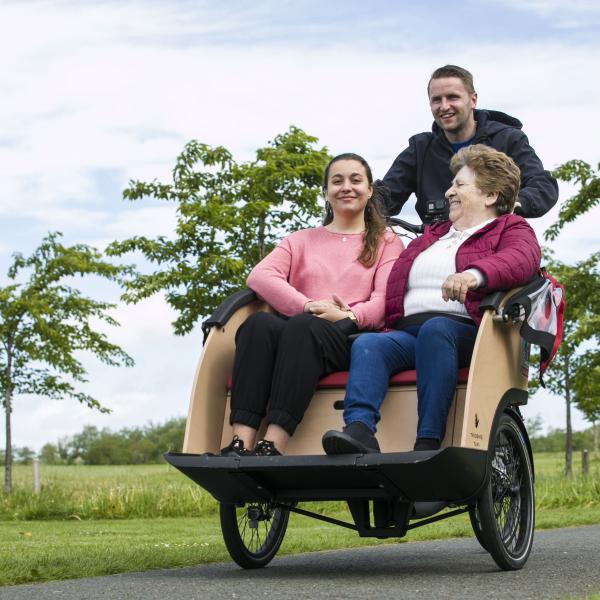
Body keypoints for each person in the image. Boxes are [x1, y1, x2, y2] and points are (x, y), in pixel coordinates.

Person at [322, 145, 541, 455]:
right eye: (452, 184)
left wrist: (473, 275)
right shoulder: (433, 236)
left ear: (491, 196)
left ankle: (428, 441)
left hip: (468, 332)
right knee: (370, 345)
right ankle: (359, 430)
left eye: (460, 185)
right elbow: (392, 285)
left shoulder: (510, 228)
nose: (449, 192)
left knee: (436, 330)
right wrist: (354, 309)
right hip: (409, 332)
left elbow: (521, 259)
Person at [220, 153, 404, 457]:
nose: (347, 187)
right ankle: (241, 441)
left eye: (356, 180)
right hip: (301, 327)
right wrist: (307, 305)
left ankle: (274, 444)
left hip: (348, 337)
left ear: (370, 190)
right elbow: (260, 276)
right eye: (337, 181)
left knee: (302, 328)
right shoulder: (301, 240)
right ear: (326, 191)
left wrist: (347, 314)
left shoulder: (386, 241)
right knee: (257, 325)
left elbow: (384, 301)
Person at [380, 64, 558, 222]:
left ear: (473, 100)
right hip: (437, 242)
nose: (444, 106)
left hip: (494, 240)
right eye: (436, 100)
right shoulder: (420, 149)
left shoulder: (508, 139)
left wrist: (511, 204)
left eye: (452, 97)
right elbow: (385, 196)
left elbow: (542, 186)